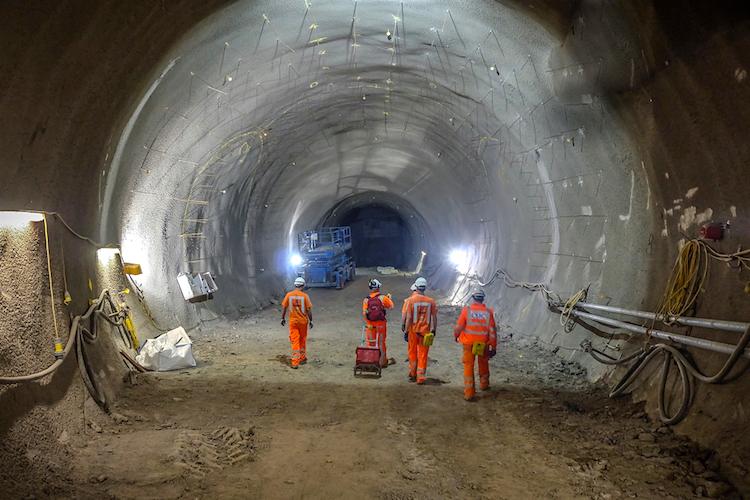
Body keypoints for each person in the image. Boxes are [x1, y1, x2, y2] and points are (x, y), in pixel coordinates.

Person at [453, 289, 497, 401]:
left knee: (468, 365)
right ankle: (484, 384)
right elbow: (492, 331)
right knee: (483, 363)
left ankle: (469, 393)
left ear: (473, 298)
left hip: (468, 343)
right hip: (483, 343)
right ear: (483, 299)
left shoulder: (467, 311)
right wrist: (493, 345)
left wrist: (456, 336)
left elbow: (458, 327)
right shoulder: (488, 312)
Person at [402, 277, 438, 384]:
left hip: (413, 332)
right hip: (425, 332)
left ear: (416, 287)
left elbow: (408, 318)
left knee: (412, 352)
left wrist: (406, 330)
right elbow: (434, 318)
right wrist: (433, 330)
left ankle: (413, 373)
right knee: (423, 354)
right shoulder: (431, 301)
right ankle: (421, 377)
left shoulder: (411, 301)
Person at [281, 277, 313, 369]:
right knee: (302, 339)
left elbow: (284, 307)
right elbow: (309, 310)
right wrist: (311, 320)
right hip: (303, 322)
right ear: (303, 285)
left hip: (293, 322)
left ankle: (295, 362)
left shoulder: (288, 295)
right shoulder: (305, 296)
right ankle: (302, 358)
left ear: (295, 285)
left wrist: (282, 318)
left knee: (295, 340)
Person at [362, 278, 394, 368]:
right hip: (381, 324)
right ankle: (382, 362)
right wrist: (388, 298)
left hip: (370, 325)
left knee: (371, 343)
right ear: (378, 287)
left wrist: (368, 323)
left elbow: (365, 313)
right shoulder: (383, 298)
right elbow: (391, 306)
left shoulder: (366, 300)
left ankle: (371, 361)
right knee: (381, 343)